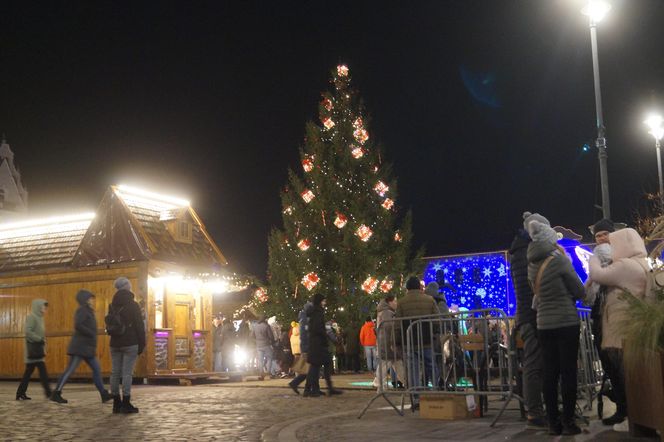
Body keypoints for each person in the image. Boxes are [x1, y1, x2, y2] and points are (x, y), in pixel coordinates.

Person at [525, 215, 585, 436]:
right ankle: (568, 422)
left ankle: (553, 422)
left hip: (543, 324)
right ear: (551, 240)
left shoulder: (532, 264)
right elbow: (579, 290)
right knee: (568, 372)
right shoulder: (559, 260)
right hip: (566, 321)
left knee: (549, 373)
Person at [587, 227, 648, 432]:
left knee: (625, 376)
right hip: (631, 329)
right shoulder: (641, 263)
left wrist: (594, 258)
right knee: (630, 376)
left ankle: (632, 418)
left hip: (620, 331)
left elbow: (597, 274)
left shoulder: (625, 266)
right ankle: (633, 415)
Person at [509, 227, 546, 429]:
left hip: (525, 315)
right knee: (534, 364)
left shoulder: (517, 253)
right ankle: (535, 411)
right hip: (533, 316)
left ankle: (534, 409)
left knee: (533, 364)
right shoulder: (528, 255)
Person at [50, 290, 113, 404]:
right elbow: (78, 325)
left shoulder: (88, 311)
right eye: (89, 298)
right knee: (70, 370)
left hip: (87, 348)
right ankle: (56, 393)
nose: (92, 300)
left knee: (97, 370)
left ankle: (103, 394)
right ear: (84, 300)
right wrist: (91, 333)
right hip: (80, 347)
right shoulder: (82, 310)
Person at [396, 276, 440, 409]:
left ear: (407, 288)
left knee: (413, 369)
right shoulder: (429, 300)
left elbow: (397, 323)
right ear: (419, 287)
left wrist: (398, 340)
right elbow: (437, 319)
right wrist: (432, 332)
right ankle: (436, 392)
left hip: (410, 341)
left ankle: (416, 398)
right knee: (431, 365)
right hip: (426, 340)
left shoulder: (402, 302)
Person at [109, 277, 146, 414]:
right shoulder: (133, 305)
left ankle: (116, 403)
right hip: (130, 342)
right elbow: (139, 326)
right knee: (127, 373)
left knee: (115, 373)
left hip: (115, 343)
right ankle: (126, 402)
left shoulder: (112, 304)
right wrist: (142, 344)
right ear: (127, 286)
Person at [305, 293, 343, 397]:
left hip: (316, 342)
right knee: (317, 365)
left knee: (317, 365)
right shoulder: (317, 312)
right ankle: (314, 390)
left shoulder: (314, 311)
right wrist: (325, 334)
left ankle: (313, 389)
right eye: (323, 300)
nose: (325, 302)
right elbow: (318, 328)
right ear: (319, 301)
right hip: (318, 343)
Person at [16, 299, 52, 401]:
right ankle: (49, 393)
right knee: (40, 372)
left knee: (29, 373)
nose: (45, 309)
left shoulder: (40, 318)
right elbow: (28, 332)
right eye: (43, 307)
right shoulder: (31, 317)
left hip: (37, 351)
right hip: (33, 351)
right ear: (38, 307)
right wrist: (39, 339)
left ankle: (20, 393)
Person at [375, 294, 405, 389]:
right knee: (387, 364)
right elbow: (389, 326)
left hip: (388, 342)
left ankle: (406, 382)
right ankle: (380, 383)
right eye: (395, 301)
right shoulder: (387, 312)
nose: (396, 303)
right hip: (388, 343)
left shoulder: (385, 312)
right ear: (389, 302)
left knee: (396, 364)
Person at [288, 302, 313, 395]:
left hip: (304, 348)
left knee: (308, 369)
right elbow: (304, 335)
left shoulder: (303, 320)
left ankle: (296, 384)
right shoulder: (305, 320)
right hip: (306, 348)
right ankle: (301, 386)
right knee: (309, 369)